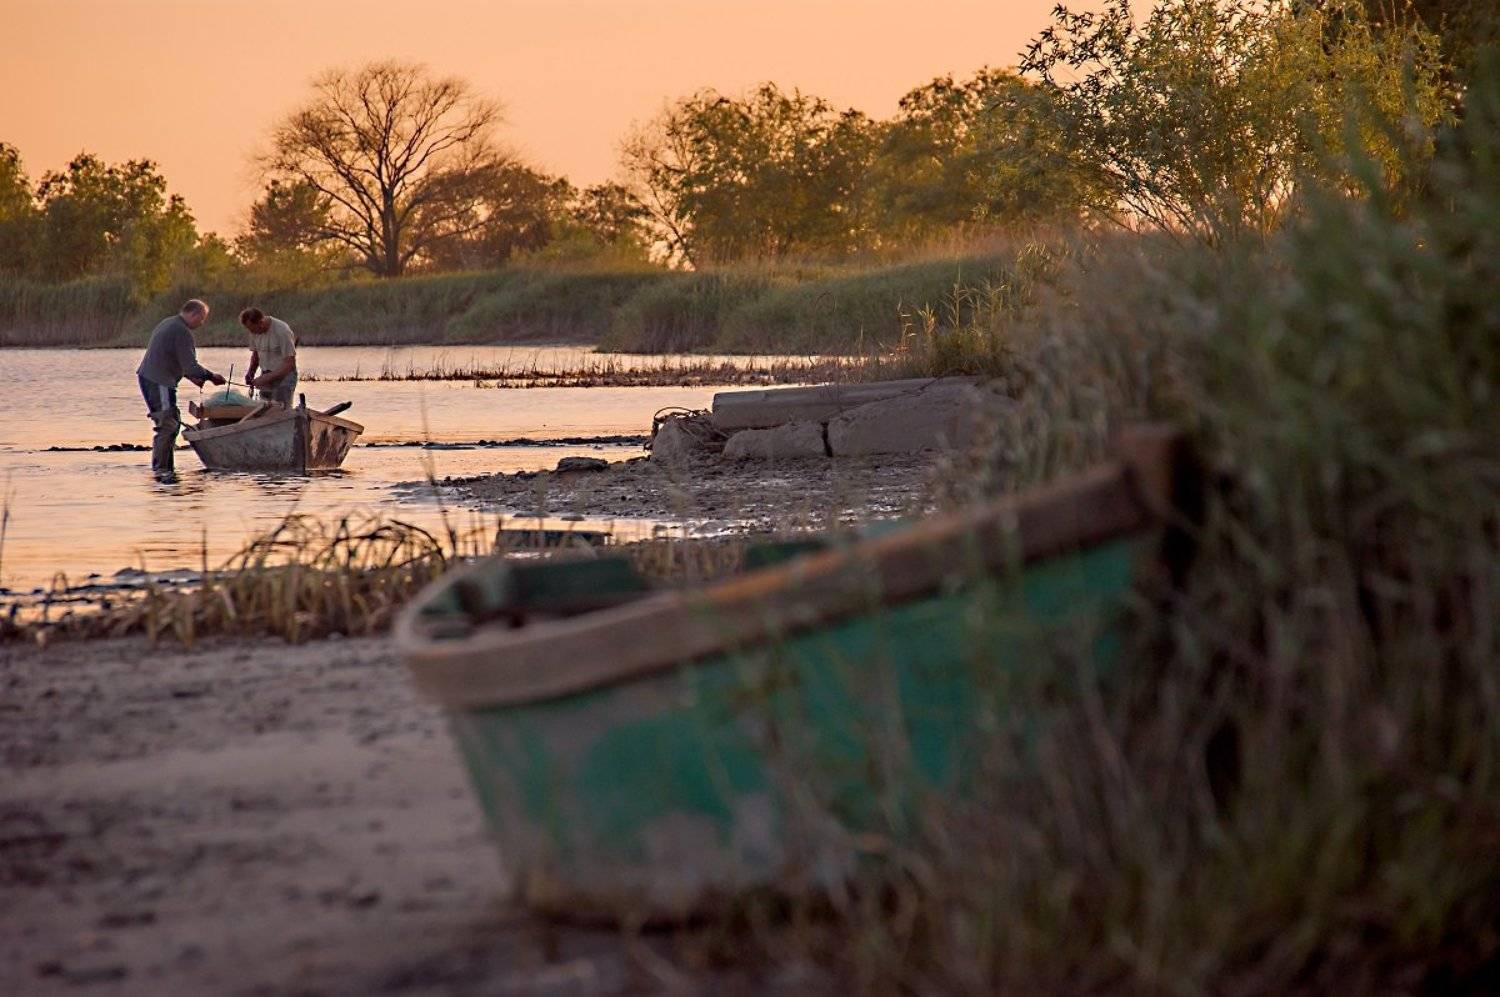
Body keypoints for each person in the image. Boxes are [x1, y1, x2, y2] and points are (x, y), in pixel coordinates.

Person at [135, 299, 225, 483]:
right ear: (194, 314)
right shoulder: (181, 331)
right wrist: (211, 376)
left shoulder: (169, 322)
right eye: (202, 319)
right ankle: (161, 470)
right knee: (167, 424)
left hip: (151, 378)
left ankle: (165, 468)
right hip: (158, 381)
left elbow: (174, 359)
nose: (201, 324)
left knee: (172, 422)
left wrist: (192, 377)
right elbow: (191, 366)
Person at [240, 308, 298, 406]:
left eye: (253, 330)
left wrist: (265, 378)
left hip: (284, 377)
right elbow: (256, 355)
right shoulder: (253, 331)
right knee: (263, 409)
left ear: (261, 322)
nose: (252, 333)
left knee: (281, 410)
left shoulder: (282, 330)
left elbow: (289, 364)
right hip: (266, 375)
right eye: (250, 330)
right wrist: (251, 372)